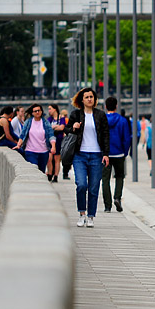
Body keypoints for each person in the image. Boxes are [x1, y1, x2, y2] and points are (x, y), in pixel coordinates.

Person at [65, 87, 110, 228]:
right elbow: (66, 130)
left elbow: (105, 135)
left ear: (94, 99)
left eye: (91, 97)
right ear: (82, 100)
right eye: (87, 97)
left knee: (93, 188)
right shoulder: (75, 115)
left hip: (96, 155)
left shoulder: (100, 115)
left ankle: (91, 216)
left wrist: (106, 154)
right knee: (81, 184)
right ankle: (82, 214)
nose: (89, 99)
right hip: (80, 155)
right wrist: (73, 127)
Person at [102, 97, 131, 213]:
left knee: (105, 179)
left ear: (105, 107)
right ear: (116, 106)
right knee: (119, 176)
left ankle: (107, 205)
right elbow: (127, 138)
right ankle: (117, 197)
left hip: (106, 154)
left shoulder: (102, 120)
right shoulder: (123, 121)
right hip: (119, 153)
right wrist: (124, 151)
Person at [14, 104, 56, 173]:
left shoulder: (45, 123)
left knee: (41, 172)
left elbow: (51, 135)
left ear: (41, 111)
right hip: (30, 151)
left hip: (43, 152)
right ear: (32, 113)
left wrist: (53, 147)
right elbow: (22, 135)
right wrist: (19, 145)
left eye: (38, 110)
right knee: (33, 170)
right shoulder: (28, 122)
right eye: (35, 111)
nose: (37, 112)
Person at [46, 104, 66, 182]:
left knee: (56, 158)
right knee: (49, 158)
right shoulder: (49, 119)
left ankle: (56, 176)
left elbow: (62, 127)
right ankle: (50, 173)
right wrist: (55, 126)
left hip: (58, 139)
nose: (49, 111)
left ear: (55, 109)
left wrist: (54, 127)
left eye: (50, 109)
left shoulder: (61, 118)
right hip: (50, 140)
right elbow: (47, 128)